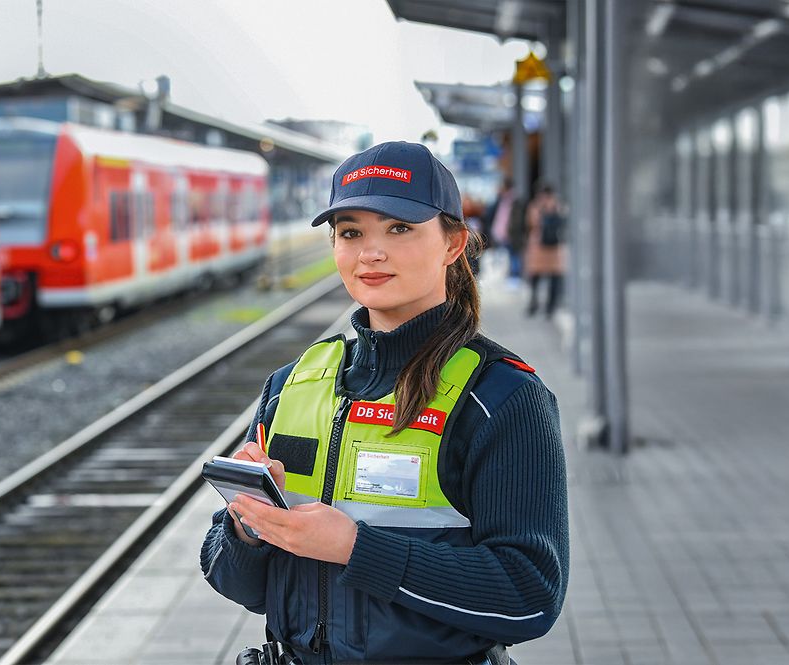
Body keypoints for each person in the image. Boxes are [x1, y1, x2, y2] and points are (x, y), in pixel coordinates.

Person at [200, 141, 569, 665]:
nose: (371, 252)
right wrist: (248, 526)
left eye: (399, 228)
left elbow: (530, 595)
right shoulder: (292, 385)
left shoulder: (501, 397)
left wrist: (356, 549)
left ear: (453, 243)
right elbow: (239, 584)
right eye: (351, 232)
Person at [522, 183, 567, 318]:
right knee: (552, 276)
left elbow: (530, 223)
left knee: (537, 277)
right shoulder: (558, 205)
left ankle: (536, 304)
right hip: (553, 247)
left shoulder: (536, 206)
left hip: (540, 245)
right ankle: (549, 306)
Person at [481, 178, 525, 286]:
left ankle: (514, 279)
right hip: (500, 234)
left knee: (513, 257)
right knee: (501, 258)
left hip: (511, 235)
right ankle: (505, 279)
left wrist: (512, 232)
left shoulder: (515, 201)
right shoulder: (500, 200)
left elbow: (517, 220)